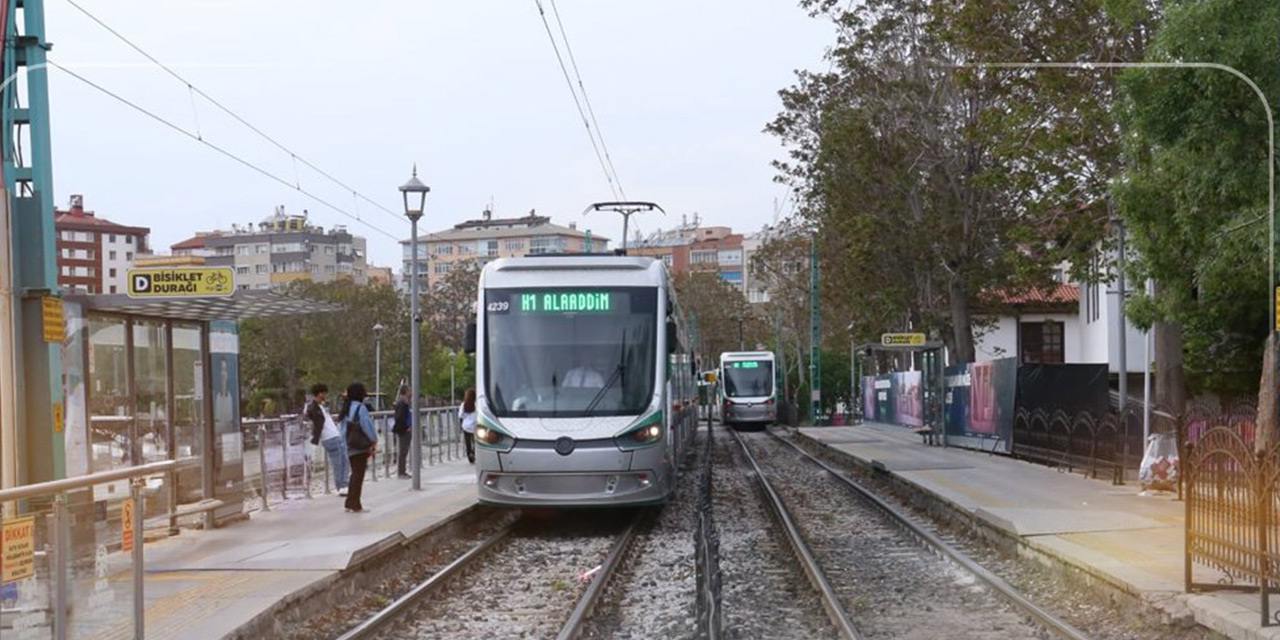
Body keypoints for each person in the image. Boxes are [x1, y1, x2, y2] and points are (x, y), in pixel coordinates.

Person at [306, 383, 349, 496]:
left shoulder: (321, 406)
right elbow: (315, 422)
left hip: (334, 436)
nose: (325, 395)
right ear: (320, 393)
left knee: (344, 461)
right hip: (330, 438)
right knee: (338, 464)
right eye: (324, 393)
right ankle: (341, 486)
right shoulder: (314, 408)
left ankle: (344, 485)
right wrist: (314, 438)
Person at [340, 383, 377, 513]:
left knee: (354, 474)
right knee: (358, 475)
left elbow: (343, 429)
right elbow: (367, 425)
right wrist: (374, 440)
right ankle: (355, 504)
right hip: (359, 446)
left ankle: (350, 502)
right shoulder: (360, 408)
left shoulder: (346, 407)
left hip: (348, 445)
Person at [392, 386, 412, 479]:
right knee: (403, 451)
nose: (411, 392)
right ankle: (401, 472)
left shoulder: (403, 402)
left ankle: (402, 471)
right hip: (404, 430)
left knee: (404, 450)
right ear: (405, 392)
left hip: (405, 429)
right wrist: (406, 427)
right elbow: (400, 417)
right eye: (409, 391)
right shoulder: (402, 403)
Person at [459, 388, 477, 463]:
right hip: (475, 426)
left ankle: (469, 455)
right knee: (476, 442)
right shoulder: (477, 404)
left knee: (467, 442)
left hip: (466, 426)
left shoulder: (463, 404)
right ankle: (474, 452)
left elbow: (460, 415)